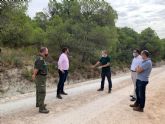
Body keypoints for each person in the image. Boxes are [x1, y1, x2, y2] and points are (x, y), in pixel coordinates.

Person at [32, 47, 49, 114]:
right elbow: (37, 68)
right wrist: (34, 74)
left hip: (41, 77)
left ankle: (40, 104)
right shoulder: (40, 59)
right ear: (44, 51)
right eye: (47, 51)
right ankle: (41, 108)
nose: (47, 53)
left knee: (39, 91)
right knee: (42, 92)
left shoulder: (41, 58)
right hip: (40, 77)